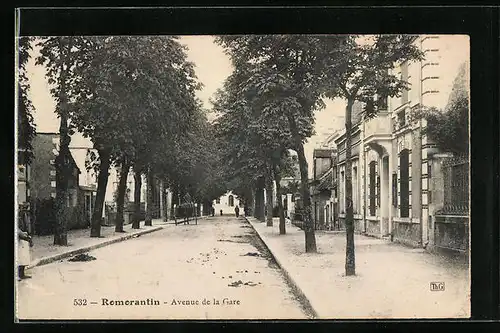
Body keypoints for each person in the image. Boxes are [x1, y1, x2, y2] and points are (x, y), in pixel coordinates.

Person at [17, 204, 33, 280]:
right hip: (21, 237)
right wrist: (23, 234)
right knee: (21, 257)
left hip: (25, 235)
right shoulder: (19, 216)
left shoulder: (26, 215)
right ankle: (19, 274)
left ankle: (22, 274)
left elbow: (28, 225)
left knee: (24, 257)